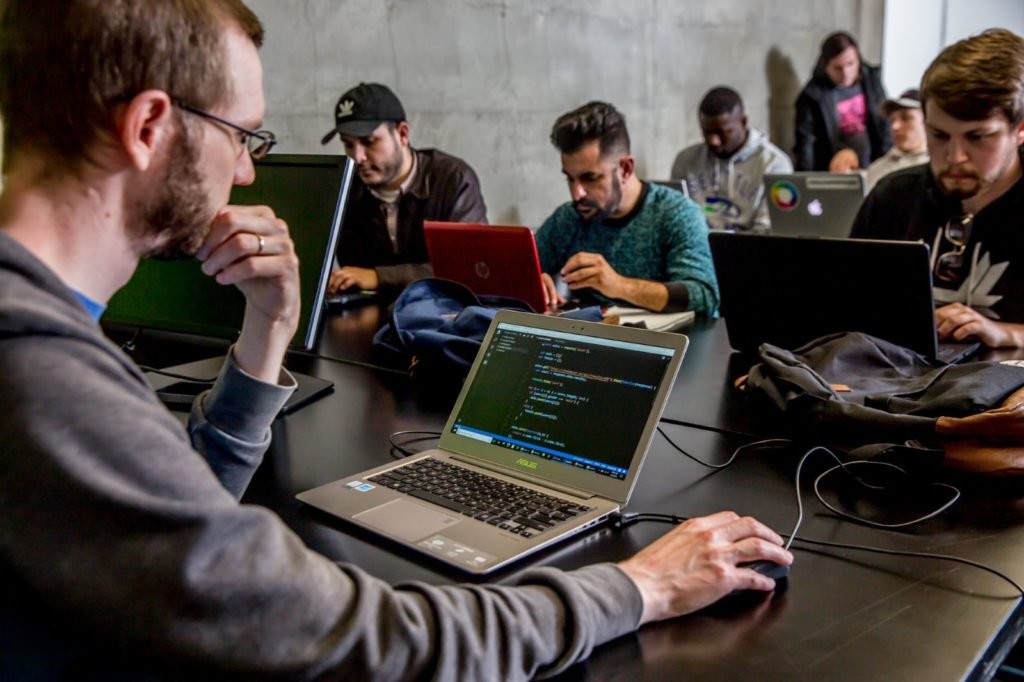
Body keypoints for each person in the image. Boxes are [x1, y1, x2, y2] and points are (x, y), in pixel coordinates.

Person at [0, 2, 792, 679]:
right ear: (148, 126)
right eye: (242, 136)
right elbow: (361, 644)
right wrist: (639, 589)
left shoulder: (45, 343)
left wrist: (271, 326)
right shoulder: (42, 376)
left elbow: (172, 507)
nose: (245, 171)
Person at [850, 28, 1024, 349]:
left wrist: (1007, 333)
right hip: (899, 388)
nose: (955, 158)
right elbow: (849, 306)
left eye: (977, 137)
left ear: (1019, 129)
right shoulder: (893, 197)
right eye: (939, 136)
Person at [535, 101, 720, 315]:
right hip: (595, 342)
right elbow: (522, 268)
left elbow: (704, 297)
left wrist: (619, 286)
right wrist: (531, 282)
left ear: (625, 169)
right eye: (570, 179)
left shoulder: (677, 214)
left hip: (676, 344)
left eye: (590, 178)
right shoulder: (569, 218)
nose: (577, 193)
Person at [320, 82, 487, 296]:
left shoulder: (452, 179)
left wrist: (379, 277)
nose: (357, 157)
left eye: (369, 142)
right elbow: (354, 274)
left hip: (448, 316)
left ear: (402, 134)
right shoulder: (347, 190)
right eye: (348, 144)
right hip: (372, 317)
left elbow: (469, 268)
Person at [670, 86, 793, 234]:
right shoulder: (686, 160)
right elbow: (675, 219)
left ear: (743, 122)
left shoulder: (774, 164)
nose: (713, 141)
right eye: (707, 132)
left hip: (749, 250)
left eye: (723, 132)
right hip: (697, 248)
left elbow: (767, 231)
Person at [794, 31, 892, 172]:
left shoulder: (871, 80)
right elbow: (805, 143)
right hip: (834, 168)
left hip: (873, 163)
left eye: (851, 64)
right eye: (838, 68)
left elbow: (885, 123)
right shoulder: (812, 96)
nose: (846, 73)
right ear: (826, 66)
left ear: (858, 60)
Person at [864, 88, 930, 191]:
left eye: (905, 118)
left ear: (928, 122)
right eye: (892, 120)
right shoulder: (877, 171)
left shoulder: (942, 167)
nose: (895, 126)